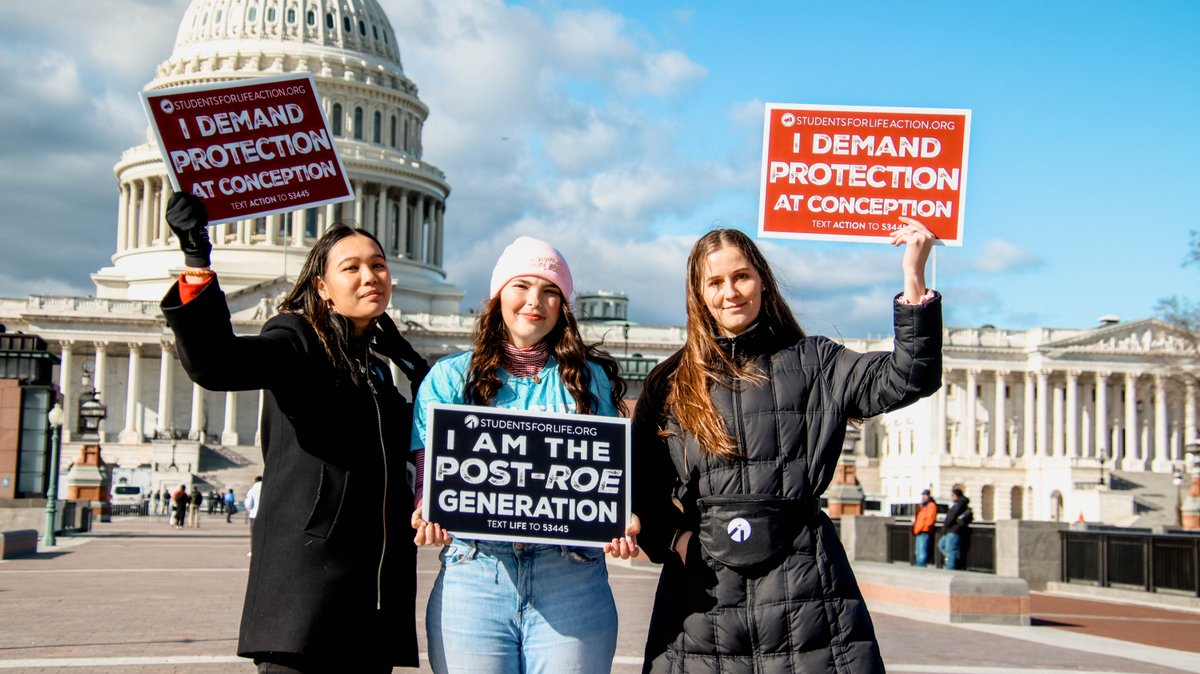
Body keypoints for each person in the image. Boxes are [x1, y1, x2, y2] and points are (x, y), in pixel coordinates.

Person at [631, 220, 942, 673]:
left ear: (762, 280)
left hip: (806, 590)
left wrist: (914, 275)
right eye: (715, 282)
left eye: (741, 276)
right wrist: (676, 541)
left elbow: (909, 375)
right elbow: (640, 483)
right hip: (704, 597)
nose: (731, 292)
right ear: (698, 295)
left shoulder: (815, 360)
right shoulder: (671, 382)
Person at [159, 192, 429, 672]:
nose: (370, 276)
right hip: (306, 599)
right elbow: (217, 363)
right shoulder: (297, 340)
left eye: (379, 265)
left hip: (372, 601)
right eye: (351, 268)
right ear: (322, 287)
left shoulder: (379, 372)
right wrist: (197, 259)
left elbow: (430, 433)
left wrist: (411, 361)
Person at [410, 236, 639, 674]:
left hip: (570, 574)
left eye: (550, 290)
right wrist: (426, 508)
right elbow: (427, 475)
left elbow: (608, 474)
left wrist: (620, 517)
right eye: (521, 285)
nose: (535, 301)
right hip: (475, 571)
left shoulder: (589, 380)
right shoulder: (448, 376)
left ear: (563, 305)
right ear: (498, 296)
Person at [939, 487, 972, 570]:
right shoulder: (957, 504)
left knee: (950, 551)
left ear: (957, 495)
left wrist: (947, 524)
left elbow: (952, 516)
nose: (951, 497)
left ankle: (950, 566)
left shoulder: (959, 504)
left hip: (954, 530)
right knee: (942, 546)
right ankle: (951, 562)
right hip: (949, 530)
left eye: (953, 495)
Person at [912, 489, 938, 567]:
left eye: (925, 495)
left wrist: (925, 527)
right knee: (918, 550)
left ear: (928, 495)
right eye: (923, 495)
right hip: (918, 530)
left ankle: (921, 565)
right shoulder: (922, 505)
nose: (923, 496)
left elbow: (931, 518)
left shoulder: (931, 505)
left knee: (922, 549)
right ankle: (918, 564)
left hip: (924, 530)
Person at [244, 476, 262, 558]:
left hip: (254, 514)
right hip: (264, 514)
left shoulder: (252, 490)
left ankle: (253, 550)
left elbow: (248, 503)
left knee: (253, 534)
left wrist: (250, 511)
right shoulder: (267, 488)